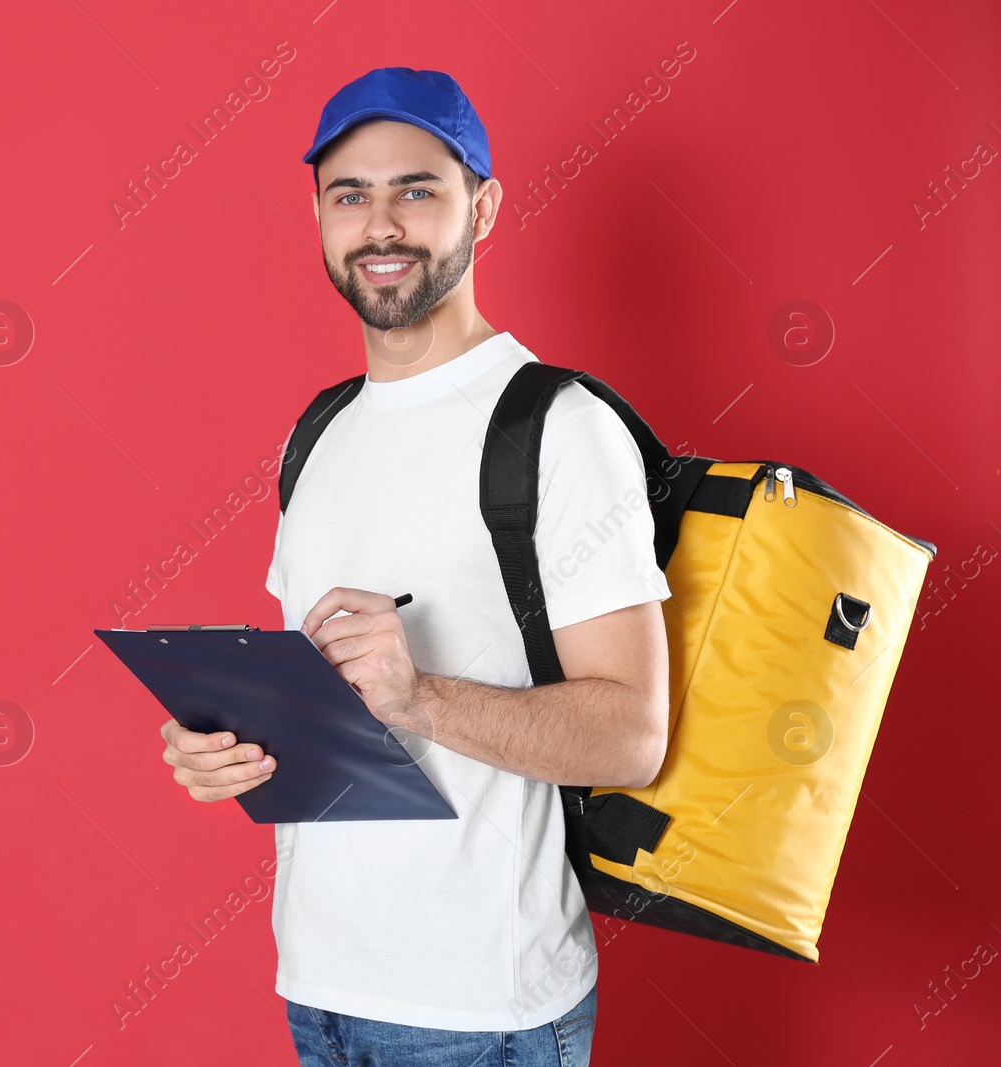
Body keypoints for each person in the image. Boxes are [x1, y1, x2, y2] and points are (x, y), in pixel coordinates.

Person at [157, 67, 673, 1066]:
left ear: (481, 206)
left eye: (417, 190)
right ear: (315, 215)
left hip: (480, 1005)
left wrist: (421, 696)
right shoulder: (319, 431)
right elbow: (323, 701)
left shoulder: (559, 429)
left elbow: (631, 736)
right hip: (318, 981)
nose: (380, 225)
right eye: (350, 195)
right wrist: (223, 743)